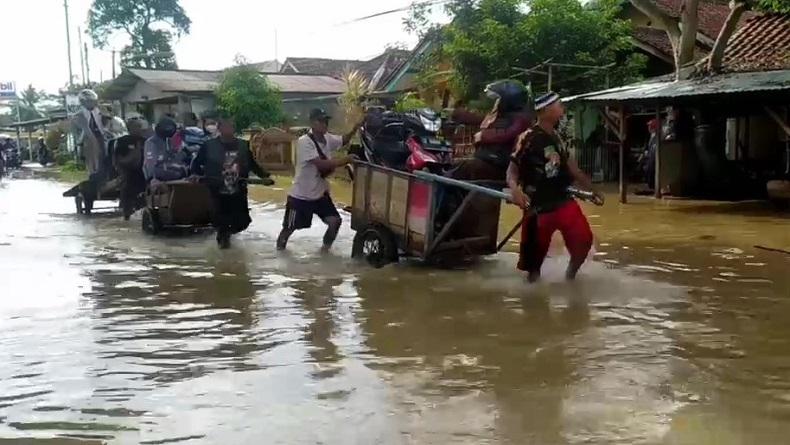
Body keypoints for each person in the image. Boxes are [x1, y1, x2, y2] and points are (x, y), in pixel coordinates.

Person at [507, 92, 604, 283]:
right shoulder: (528, 137)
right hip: (537, 207)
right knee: (533, 263)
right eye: (558, 105)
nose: (562, 108)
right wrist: (514, 189)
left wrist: (593, 189)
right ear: (544, 111)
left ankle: (570, 276)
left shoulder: (558, 137)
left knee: (583, 241)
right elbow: (512, 171)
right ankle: (533, 299)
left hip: (562, 200)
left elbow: (572, 167)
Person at [276, 108, 357, 252]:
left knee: (335, 222)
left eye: (326, 121)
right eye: (321, 121)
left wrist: (356, 127)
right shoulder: (304, 142)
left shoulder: (328, 138)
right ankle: (279, 254)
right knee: (288, 229)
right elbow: (321, 164)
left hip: (320, 194)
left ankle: (324, 251)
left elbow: (343, 140)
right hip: (301, 196)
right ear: (312, 123)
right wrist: (346, 160)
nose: (325, 124)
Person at [191, 115, 275, 249]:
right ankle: (223, 253)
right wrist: (195, 175)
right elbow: (196, 164)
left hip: (238, 189)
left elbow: (252, 164)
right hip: (217, 190)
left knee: (242, 222)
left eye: (232, 126)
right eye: (226, 126)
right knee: (221, 221)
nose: (230, 129)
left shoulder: (243, 145)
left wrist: (265, 176)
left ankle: (227, 236)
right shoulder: (209, 146)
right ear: (219, 128)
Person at [451, 79, 532, 181]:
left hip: (501, 164)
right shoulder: (503, 116)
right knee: (459, 165)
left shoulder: (520, 119)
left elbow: (509, 133)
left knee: (468, 166)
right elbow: (481, 120)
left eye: (499, 99)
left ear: (508, 100)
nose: (496, 103)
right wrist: (462, 115)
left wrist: (483, 136)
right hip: (491, 159)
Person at [114, 116, 150, 220]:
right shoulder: (122, 141)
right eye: (136, 127)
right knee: (127, 190)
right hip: (129, 172)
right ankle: (127, 213)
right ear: (129, 128)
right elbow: (118, 159)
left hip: (143, 172)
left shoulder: (146, 141)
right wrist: (131, 158)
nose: (139, 129)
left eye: (139, 126)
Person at [70, 89, 105, 177]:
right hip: (87, 142)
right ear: (83, 102)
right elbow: (76, 135)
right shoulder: (77, 116)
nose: (92, 103)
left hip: (104, 139)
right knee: (93, 167)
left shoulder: (102, 112)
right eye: (89, 101)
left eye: (93, 101)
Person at [143, 116, 189, 182]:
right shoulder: (151, 142)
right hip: (158, 178)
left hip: (171, 174)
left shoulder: (167, 141)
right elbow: (151, 168)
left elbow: (172, 157)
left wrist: (182, 155)